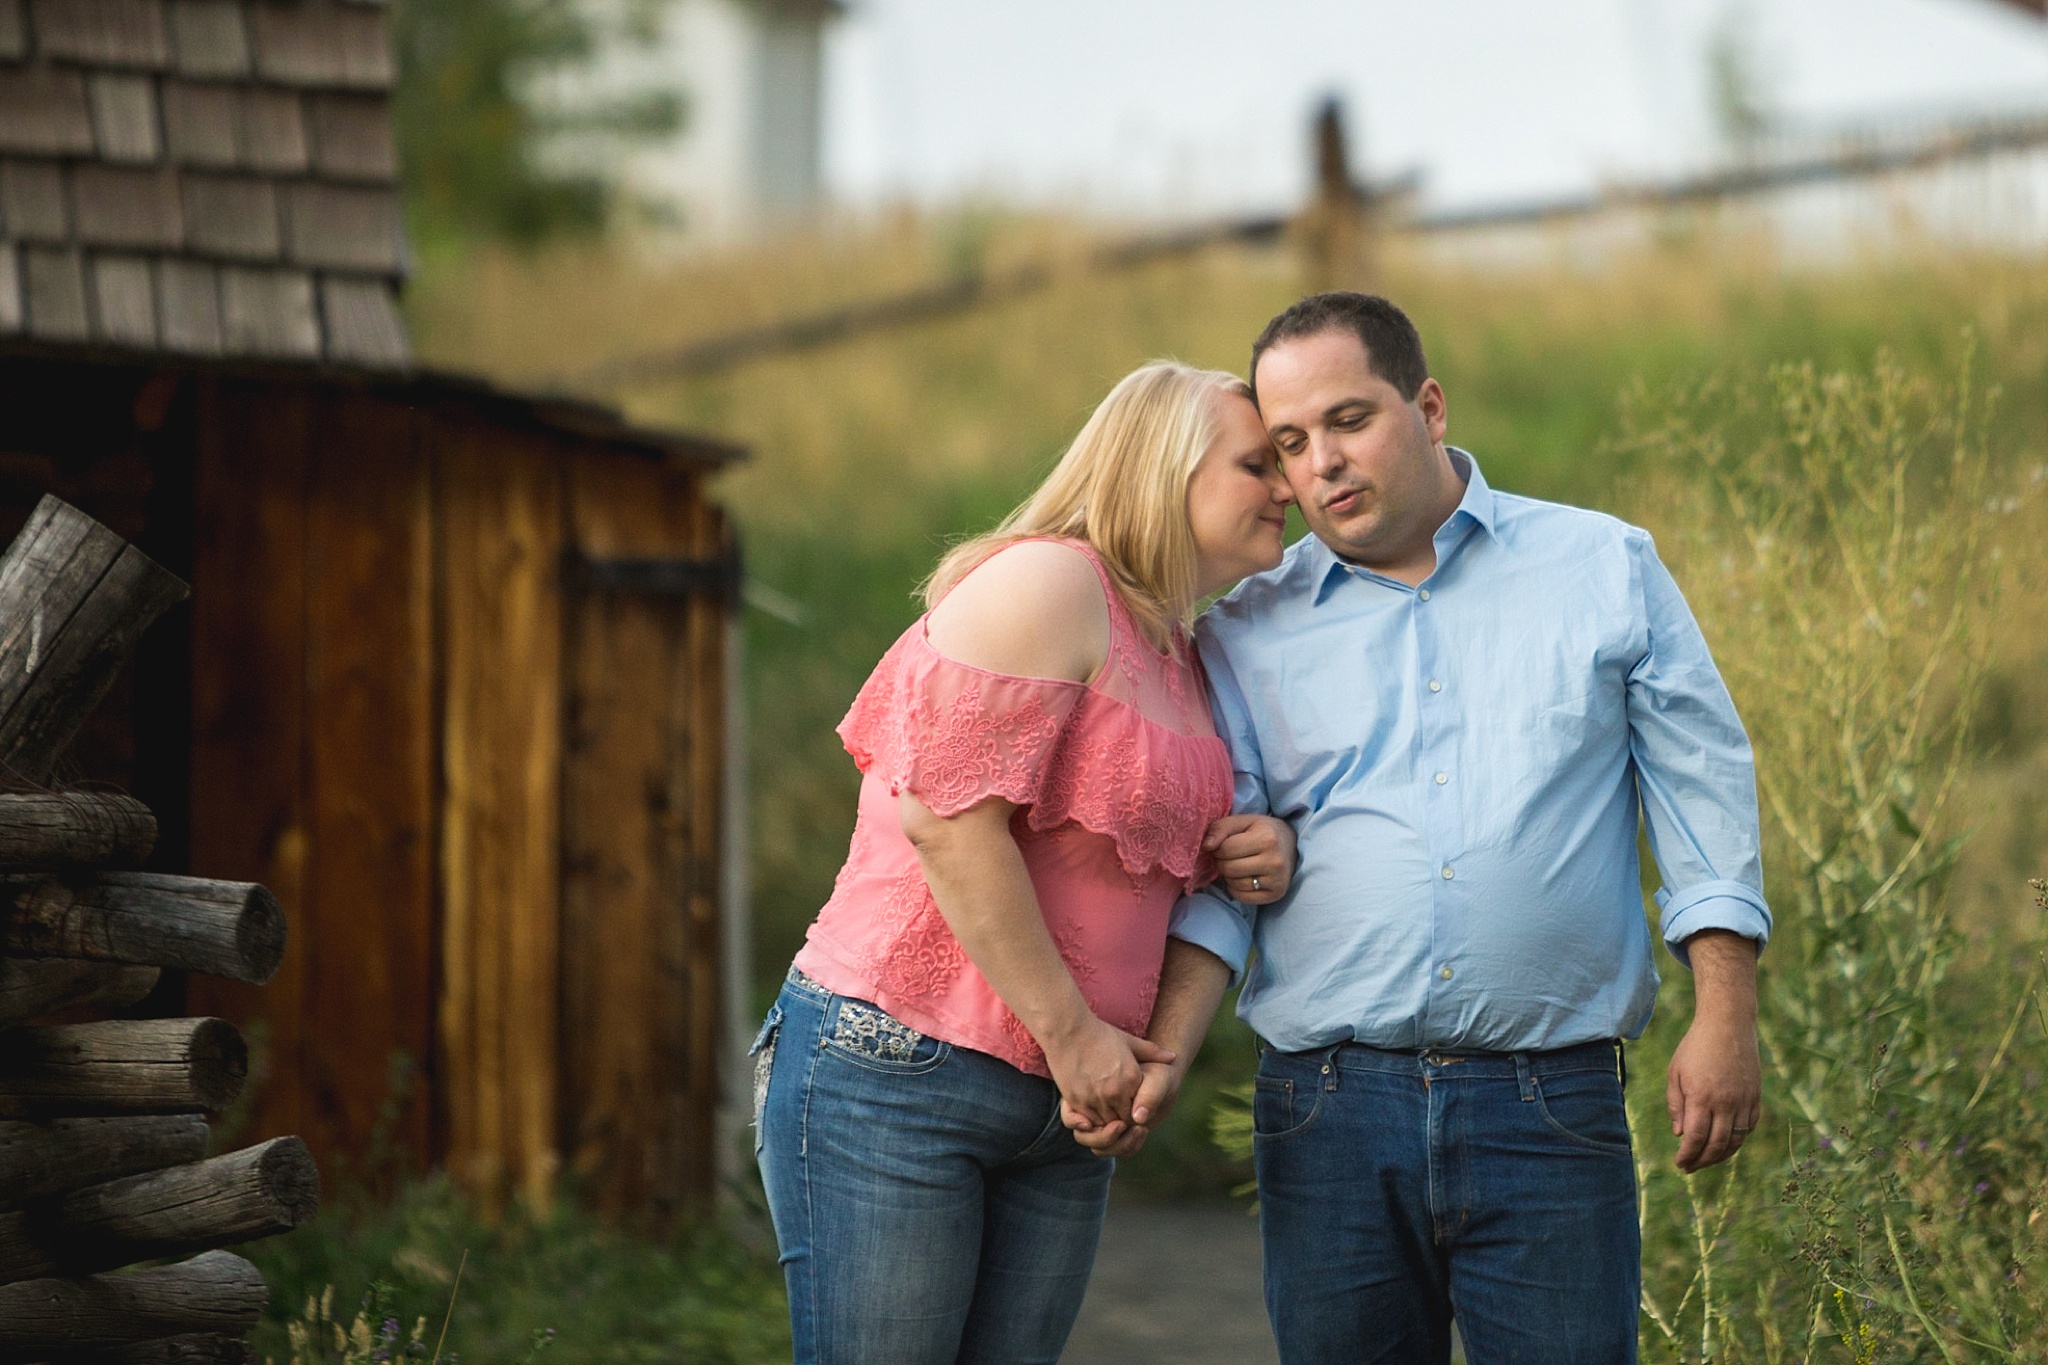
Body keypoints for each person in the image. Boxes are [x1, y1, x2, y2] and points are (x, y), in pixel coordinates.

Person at [1086, 294, 1769, 1364]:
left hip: (1548, 1104)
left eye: (1348, 419)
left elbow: (1705, 795)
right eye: (1288, 444)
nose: (1321, 464)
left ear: (1429, 405)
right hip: (1325, 1108)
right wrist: (1165, 1046)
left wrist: (1723, 1012)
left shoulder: (1603, 567)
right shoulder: (1243, 628)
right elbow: (1226, 869)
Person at [752, 361, 1300, 1365]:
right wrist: (1073, 1036)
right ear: (1164, 470)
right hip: (900, 1072)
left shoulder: (1181, 649)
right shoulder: (1050, 583)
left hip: (1065, 1109)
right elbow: (946, 823)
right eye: (1257, 464)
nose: (1288, 488)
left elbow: (1141, 866)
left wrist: (1248, 852)